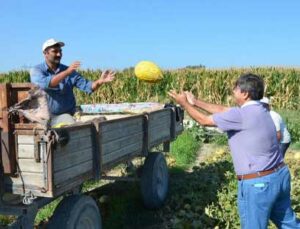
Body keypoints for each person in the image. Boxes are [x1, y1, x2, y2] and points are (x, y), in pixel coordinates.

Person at [168, 73, 299, 228]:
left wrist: (184, 104)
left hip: (258, 184)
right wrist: (195, 102)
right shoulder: (262, 110)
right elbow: (223, 110)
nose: (233, 91)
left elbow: (203, 121)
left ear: (245, 93)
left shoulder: (241, 115)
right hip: (279, 175)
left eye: (236, 88)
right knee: (289, 224)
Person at [30, 38, 116, 126]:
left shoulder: (69, 71)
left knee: (71, 121)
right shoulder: (37, 70)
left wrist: (100, 81)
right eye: (55, 51)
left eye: (60, 51)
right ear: (45, 53)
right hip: (45, 119)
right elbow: (46, 84)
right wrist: (67, 72)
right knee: (70, 123)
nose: (59, 54)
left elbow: (89, 87)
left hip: (66, 116)